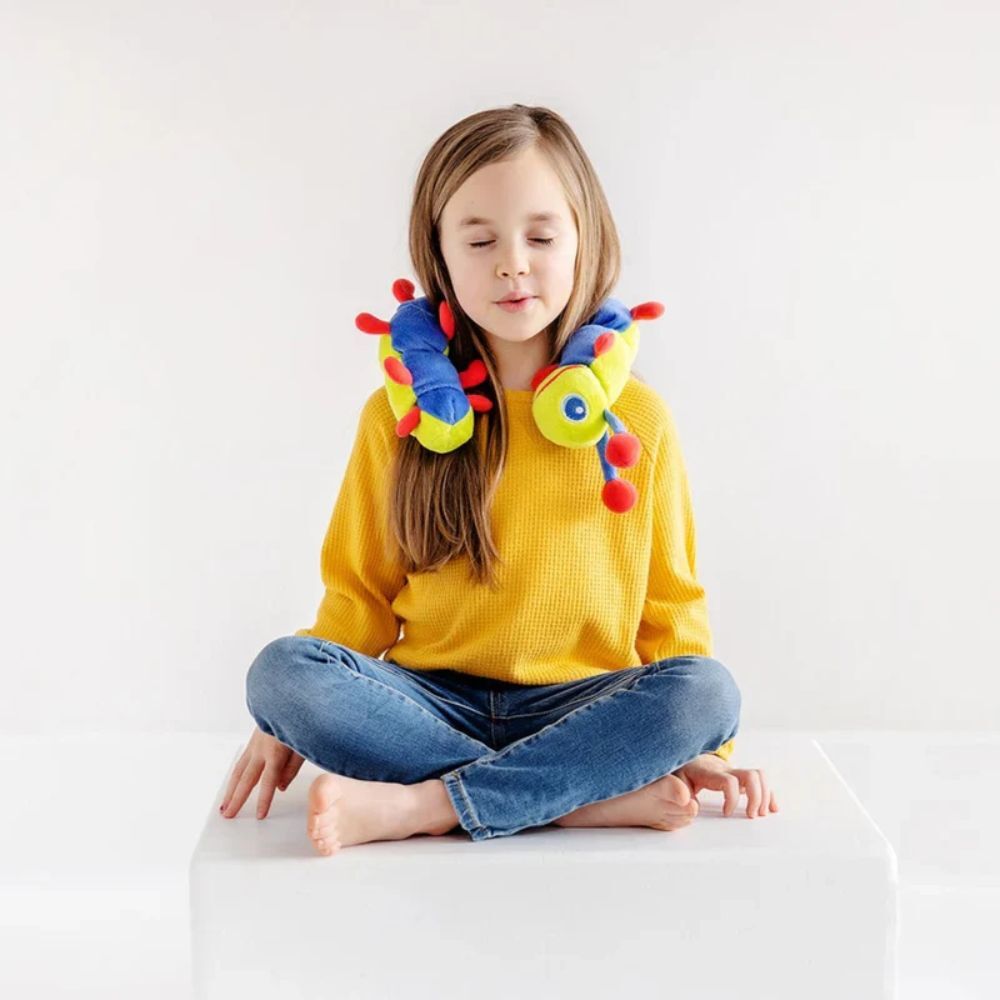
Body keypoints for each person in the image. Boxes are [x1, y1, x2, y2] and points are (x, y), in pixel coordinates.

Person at [220, 103, 779, 854]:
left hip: (583, 704)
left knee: (705, 694)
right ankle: (572, 797)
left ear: (584, 241)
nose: (512, 263)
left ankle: (428, 803)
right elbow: (358, 597)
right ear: (441, 257)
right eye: (480, 241)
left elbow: (669, 605)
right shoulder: (399, 417)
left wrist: (700, 745)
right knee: (282, 674)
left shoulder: (637, 421)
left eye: (540, 237)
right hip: (430, 701)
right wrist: (284, 715)